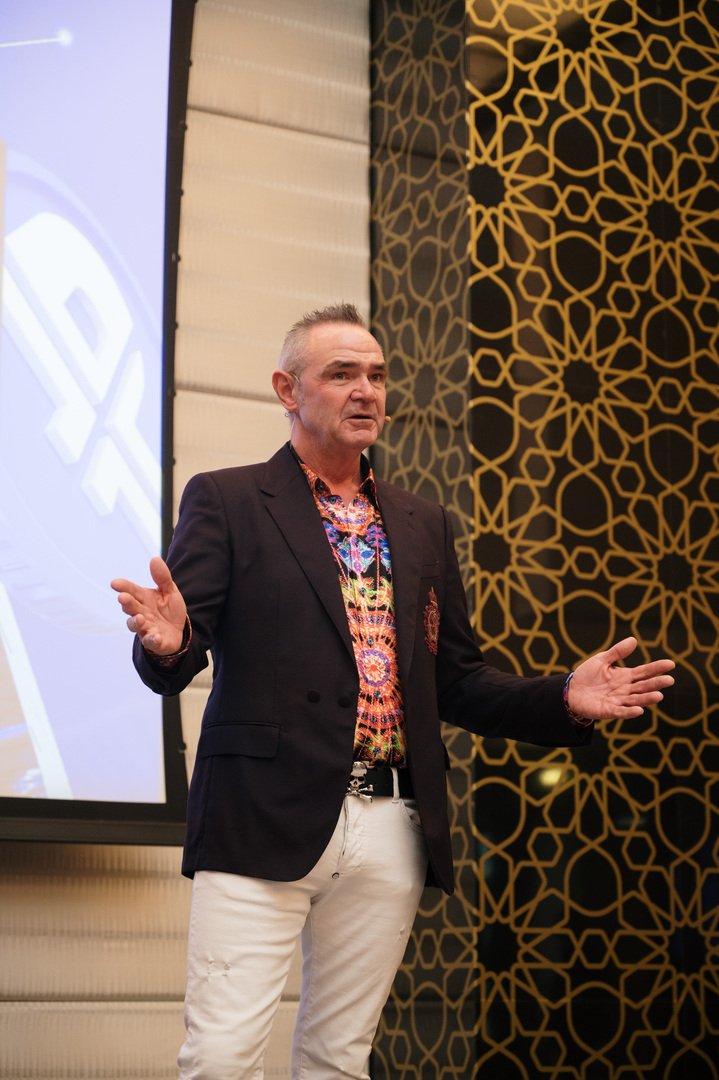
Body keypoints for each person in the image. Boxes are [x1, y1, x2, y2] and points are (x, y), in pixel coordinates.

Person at [111, 303, 675, 1080]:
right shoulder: (228, 500)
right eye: (341, 373)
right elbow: (179, 647)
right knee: (221, 1056)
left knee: (340, 1059)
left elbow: (457, 683)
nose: (366, 390)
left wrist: (560, 699)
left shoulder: (421, 523)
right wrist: (171, 643)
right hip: (261, 818)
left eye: (376, 375)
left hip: (392, 827)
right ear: (287, 389)